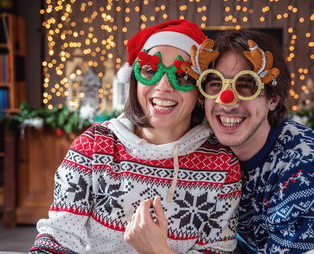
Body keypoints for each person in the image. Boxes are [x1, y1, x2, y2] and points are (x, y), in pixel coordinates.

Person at [30, 20, 242, 254]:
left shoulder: (222, 165)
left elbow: (217, 250)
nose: (163, 86)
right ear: (135, 79)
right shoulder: (93, 147)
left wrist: (158, 250)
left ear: (200, 90)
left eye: (182, 77)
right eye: (151, 71)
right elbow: (59, 238)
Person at [194, 30, 314, 253]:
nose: (226, 102)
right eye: (216, 84)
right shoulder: (209, 148)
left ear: (273, 99)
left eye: (246, 85)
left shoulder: (307, 166)